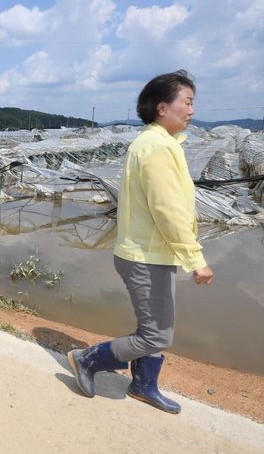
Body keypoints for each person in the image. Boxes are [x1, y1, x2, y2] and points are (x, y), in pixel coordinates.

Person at [67, 70, 214, 414]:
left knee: (155, 326)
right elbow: (167, 211)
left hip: (152, 253)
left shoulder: (160, 144)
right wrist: (195, 259)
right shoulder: (156, 148)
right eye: (188, 102)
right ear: (162, 107)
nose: (192, 110)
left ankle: (144, 384)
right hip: (146, 256)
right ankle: (89, 359)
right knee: (157, 335)